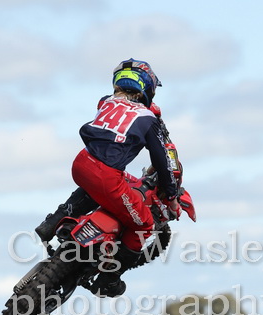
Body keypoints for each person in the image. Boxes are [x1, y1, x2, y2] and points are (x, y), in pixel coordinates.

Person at [36, 58, 181, 297]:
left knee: (95, 190)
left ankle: (52, 223)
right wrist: (172, 195)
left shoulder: (105, 102)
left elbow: (119, 115)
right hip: (107, 175)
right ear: (147, 88)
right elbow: (162, 160)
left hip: (82, 163)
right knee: (144, 224)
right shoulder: (148, 119)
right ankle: (109, 278)